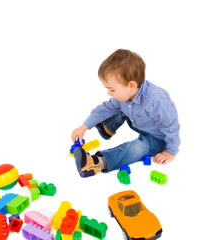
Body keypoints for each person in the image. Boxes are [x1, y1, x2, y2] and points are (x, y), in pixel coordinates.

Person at [71, 49, 180, 178]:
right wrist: (83, 127)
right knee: (115, 105)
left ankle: (97, 163)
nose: (109, 93)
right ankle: (108, 128)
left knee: (138, 147)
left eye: (112, 89)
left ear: (132, 85)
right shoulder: (127, 93)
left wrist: (171, 152)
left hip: (157, 139)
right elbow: (105, 108)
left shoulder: (156, 101)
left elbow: (171, 126)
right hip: (139, 122)